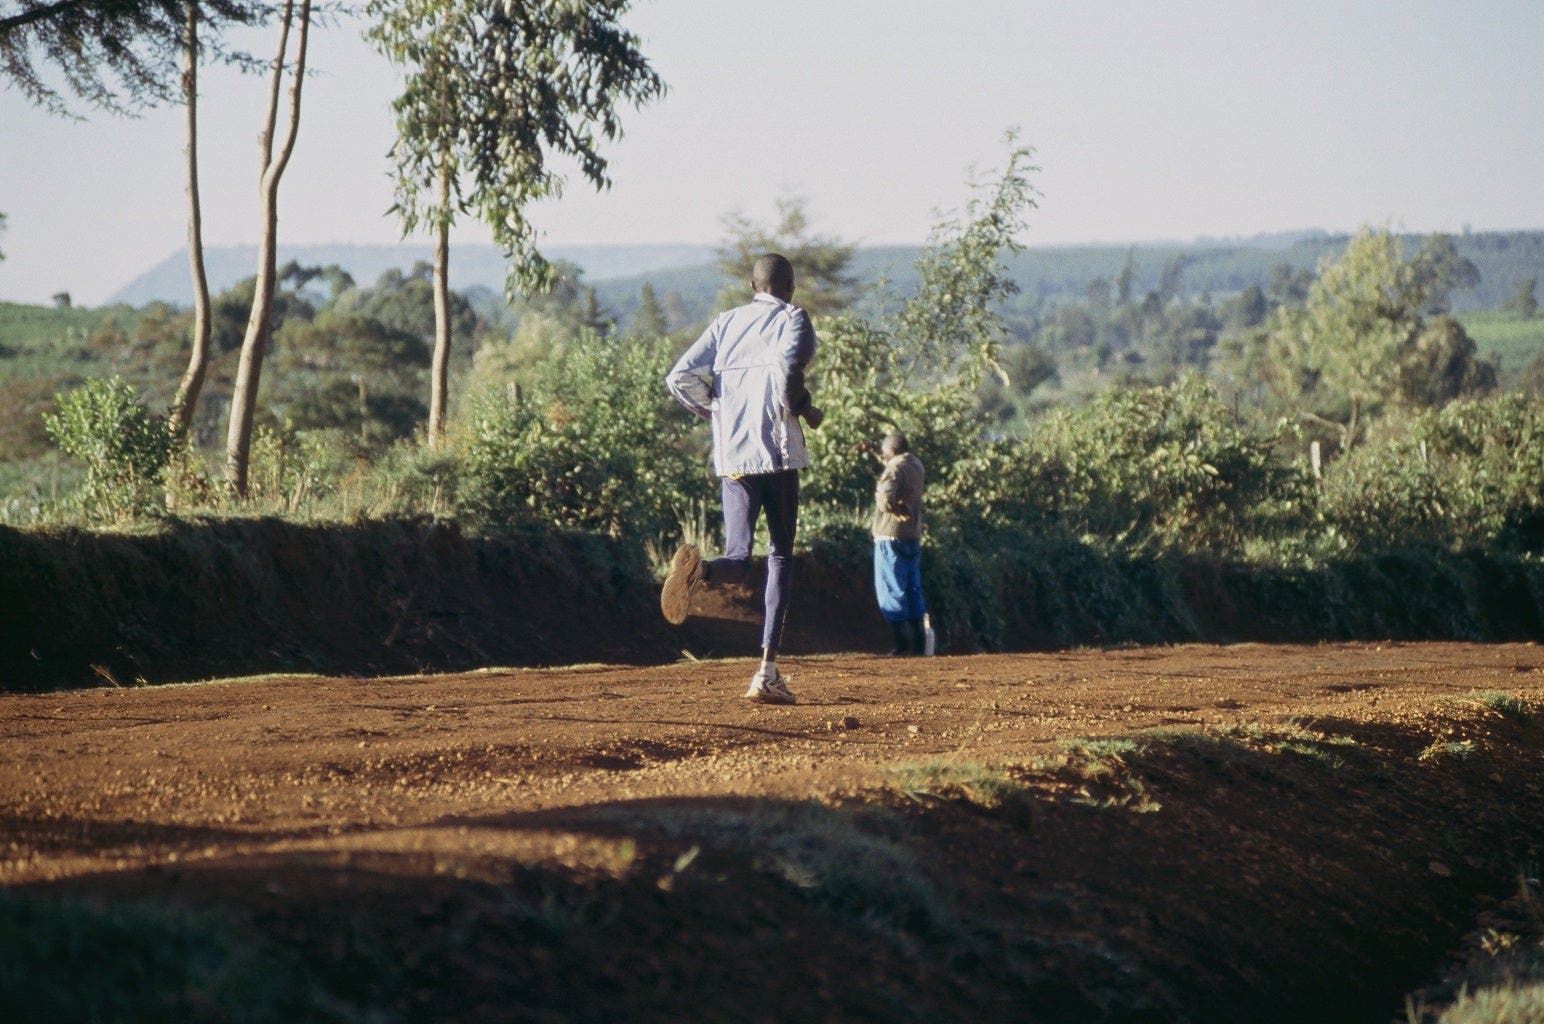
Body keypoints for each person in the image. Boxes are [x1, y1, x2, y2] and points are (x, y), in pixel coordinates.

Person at [661, 253, 823, 704]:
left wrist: (717, 409)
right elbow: (789, 372)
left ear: (753, 286)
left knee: (738, 555)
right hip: (777, 456)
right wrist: (803, 408)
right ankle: (766, 672)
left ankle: (702, 570)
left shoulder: (725, 322)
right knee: (780, 557)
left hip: (733, 457)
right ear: (790, 287)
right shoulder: (793, 318)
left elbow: (678, 378)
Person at [871, 430, 929, 656]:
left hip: (890, 535)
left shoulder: (894, 468)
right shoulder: (916, 464)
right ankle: (919, 643)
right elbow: (896, 465)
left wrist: (894, 508)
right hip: (912, 533)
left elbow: (885, 497)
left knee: (891, 587)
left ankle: (901, 644)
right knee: (912, 588)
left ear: (892, 450)